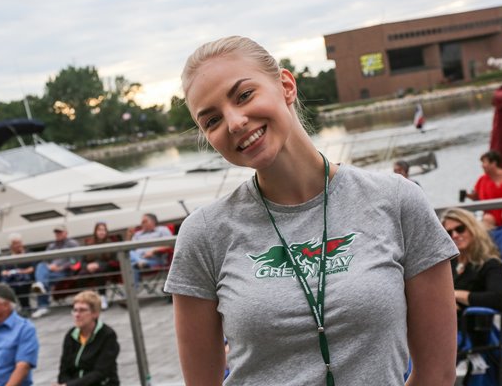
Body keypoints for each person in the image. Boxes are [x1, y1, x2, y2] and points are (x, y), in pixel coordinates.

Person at [164, 36, 459, 385]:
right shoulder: (204, 233)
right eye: (211, 120)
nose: (235, 122)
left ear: (286, 86)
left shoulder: (397, 201)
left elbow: (437, 375)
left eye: (243, 95)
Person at [441, 208, 502, 314]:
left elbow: (501, 300)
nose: (454, 235)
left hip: (470, 327)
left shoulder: (490, 264)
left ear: (472, 229)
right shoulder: (447, 263)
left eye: (460, 229)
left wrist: (454, 295)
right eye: (449, 232)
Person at [466, 150, 502, 264]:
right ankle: (493, 253)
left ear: (494, 163)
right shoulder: (482, 180)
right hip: (492, 214)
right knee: (486, 220)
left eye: (485, 162)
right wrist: (467, 195)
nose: (482, 166)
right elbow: (476, 197)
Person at [53, 290, 120, 386]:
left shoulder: (108, 335)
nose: (77, 315)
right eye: (75, 310)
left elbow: (100, 373)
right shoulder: (71, 335)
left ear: (95, 314)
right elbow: (64, 371)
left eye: (82, 310)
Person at [31, 225, 80, 319]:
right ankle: (41, 284)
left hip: (65, 272)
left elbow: (76, 261)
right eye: (56, 232)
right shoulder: (51, 246)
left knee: (42, 279)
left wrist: (61, 268)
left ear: (66, 233)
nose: (58, 234)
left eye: (60, 232)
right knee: (41, 265)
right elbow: (45, 260)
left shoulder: (72, 244)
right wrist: (49, 266)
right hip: (50, 271)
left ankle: (43, 305)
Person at [80, 222, 121, 310]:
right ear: (95, 231)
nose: (102, 232)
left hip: (105, 268)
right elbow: (82, 261)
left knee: (99, 273)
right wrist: (87, 266)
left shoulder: (110, 243)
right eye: (99, 230)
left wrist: (98, 265)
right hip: (90, 268)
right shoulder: (89, 244)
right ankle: (86, 300)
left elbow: (113, 261)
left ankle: (102, 297)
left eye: (104, 230)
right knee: (81, 275)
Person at [126, 213, 173, 286]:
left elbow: (171, 244)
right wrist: (129, 236)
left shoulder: (162, 230)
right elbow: (129, 248)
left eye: (144, 221)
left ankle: (133, 294)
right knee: (130, 254)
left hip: (155, 259)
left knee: (132, 266)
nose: (142, 224)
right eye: (141, 222)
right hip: (140, 259)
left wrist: (154, 250)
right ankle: (140, 261)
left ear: (153, 221)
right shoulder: (138, 234)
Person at [1, 233, 35, 314]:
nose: (18, 245)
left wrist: (20, 271)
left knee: (20, 285)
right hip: (11, 279)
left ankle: (25, 308)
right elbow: (3, 271)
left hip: (26, 278)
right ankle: (6, 310)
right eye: (15, 243)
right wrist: (8, 273)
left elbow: (32, 268)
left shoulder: (28, 254)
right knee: (3, 286)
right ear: (11, 246)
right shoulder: (7, 257)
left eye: (19, 243)